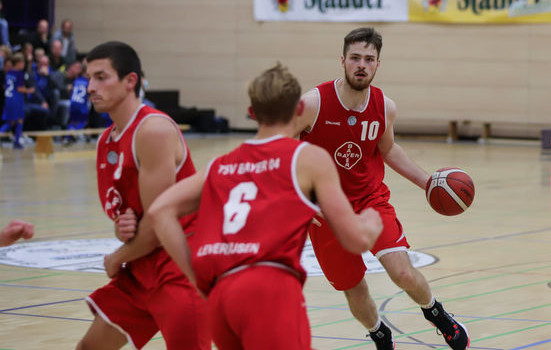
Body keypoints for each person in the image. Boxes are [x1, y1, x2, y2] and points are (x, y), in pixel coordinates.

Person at [104, 63, 384, 349]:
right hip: (270, 288)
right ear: (299, 110)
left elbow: (160, 210)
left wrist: (193, 274)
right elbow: (354, 239)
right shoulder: (306, 158)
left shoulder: (221, 164)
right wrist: (371, 222)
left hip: (221, 294)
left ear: (252, 113)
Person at [295, 27, 470, 350]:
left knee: (403, 274)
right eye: (355, 58)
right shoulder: (312, 103)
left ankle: (437, 314)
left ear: (377, 64)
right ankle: (379, 333)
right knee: (354, 288)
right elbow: (281, 150)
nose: (361, 65)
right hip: (326, 213)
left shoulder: (384, 106)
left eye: (369, 59)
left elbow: (388, 150)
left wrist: (428, 182)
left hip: (370, 201)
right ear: (343, 61)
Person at [75, 41, 209, 350]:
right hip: (142, 267)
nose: (90, 87)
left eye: (101, 77)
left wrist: (117, 256)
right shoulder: (106, 141)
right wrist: (121, 229)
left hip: (180, 266)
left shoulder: (153, 130)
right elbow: (132, 217)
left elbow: (161, 221)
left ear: (130, 81)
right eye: (88, 78)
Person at [0, 53, 33, 149]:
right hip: (16, 99)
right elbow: (19, 89)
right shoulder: (19, 73)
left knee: (12, 121)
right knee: (18, 120)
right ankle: (17, 142)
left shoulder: (8, 72)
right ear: (18, 63)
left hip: (8, 99)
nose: (23, 65)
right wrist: (28, 90)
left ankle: (16, 142)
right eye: (23, 63)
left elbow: (6, 86)